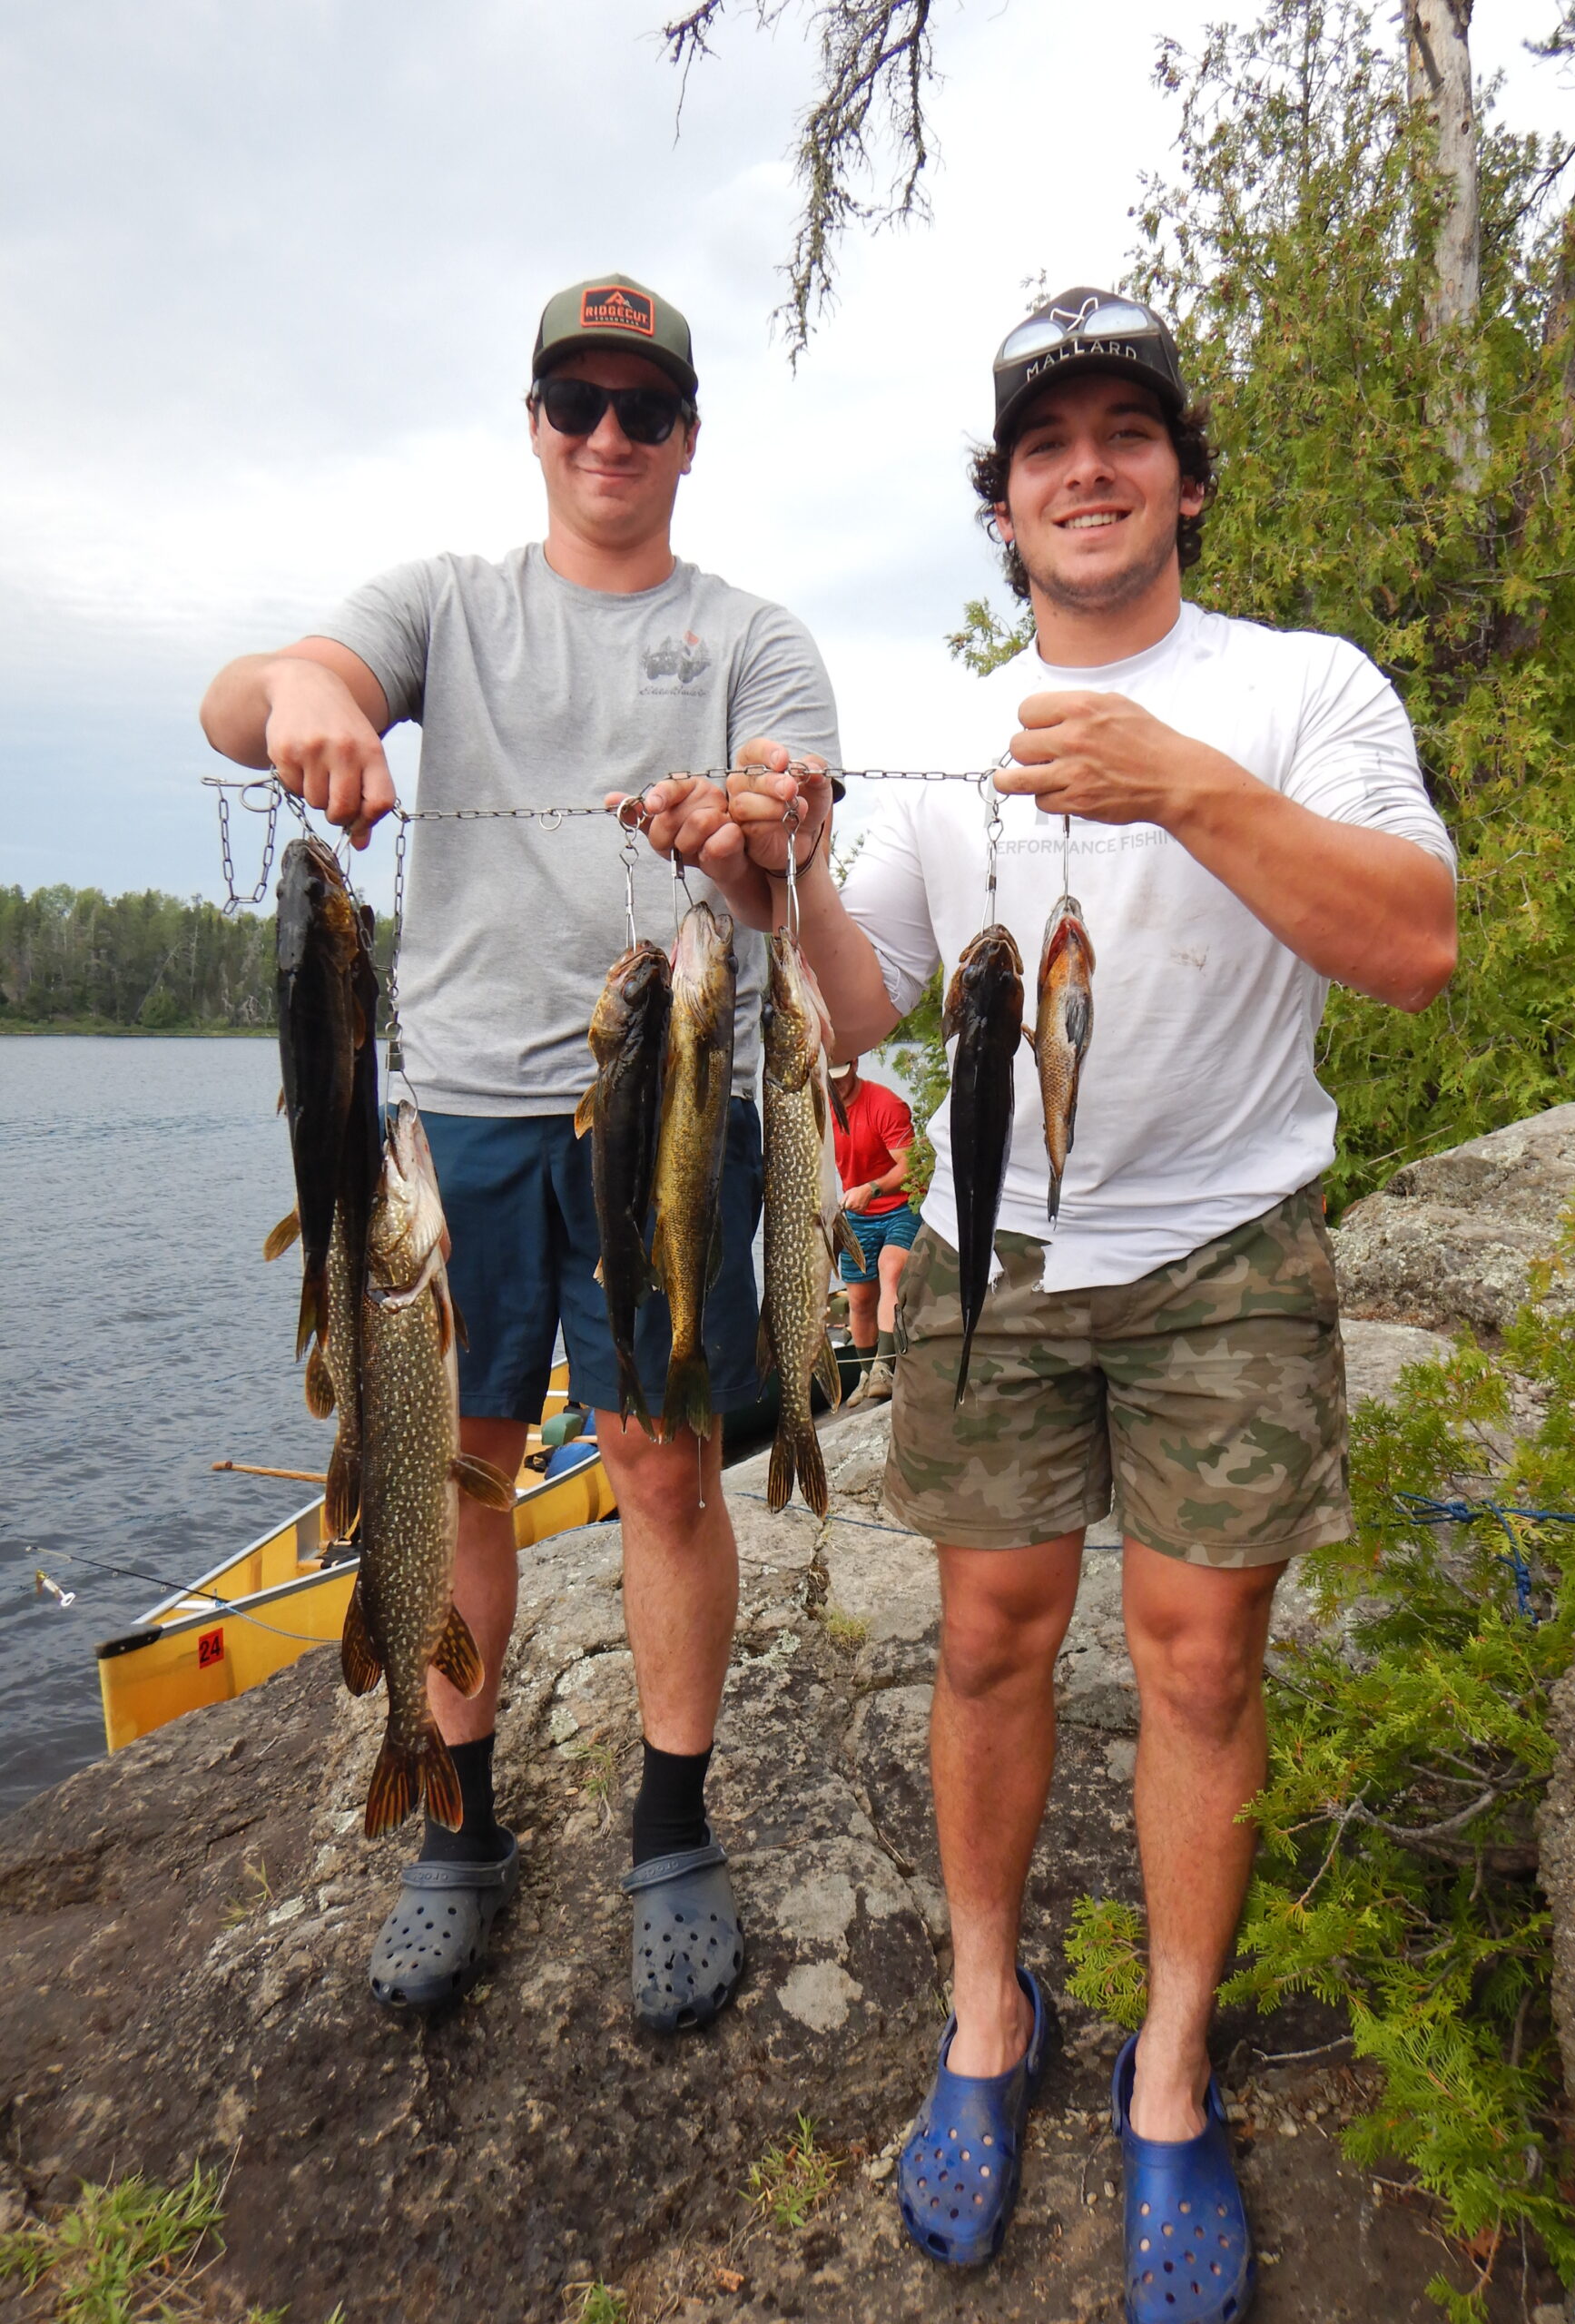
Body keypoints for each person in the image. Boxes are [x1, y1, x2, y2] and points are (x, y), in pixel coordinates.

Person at [690, 287, 1458, 2317]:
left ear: (1186, 479)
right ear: (1006, 506)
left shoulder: (1305, 691)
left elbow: (1417, 945)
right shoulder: (965, 741)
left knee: (1202, 1664)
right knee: (983, 1639)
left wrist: (1181, 782)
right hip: (994, 1253)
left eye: (1127, 432)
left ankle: (1176, 2061)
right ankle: (982, 2010)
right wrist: (797, 883)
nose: (1089, 468)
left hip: (1231, 1250)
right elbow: (864, 1017)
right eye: (1049, 445)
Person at [200, 271, 840, 2030]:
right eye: (579, 404)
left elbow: (799, 836)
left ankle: (672, 1819)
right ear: (538, 425)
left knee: (660, 1466)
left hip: (674, 1106)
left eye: (646, 409)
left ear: (689, 438)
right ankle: (456, 1820)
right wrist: (307, 701)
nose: (611, 437)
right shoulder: (447, 605)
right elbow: (244, 695)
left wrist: (750, 828)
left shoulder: (756, 635)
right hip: (466, 1108)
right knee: (456, 1453)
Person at [828, 1055, 917, 1404]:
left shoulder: (884, 1104)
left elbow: (909, 1165)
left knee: (891, 1269)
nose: (836, 1083)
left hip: (899, 1205)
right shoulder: (822, 1107)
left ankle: (886, 1366)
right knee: (859, 1299)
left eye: (841, 1074)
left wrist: (874, 1189)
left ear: (855, 1065)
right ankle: (866, 1374)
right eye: (828, 1076)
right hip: (857, 1214)